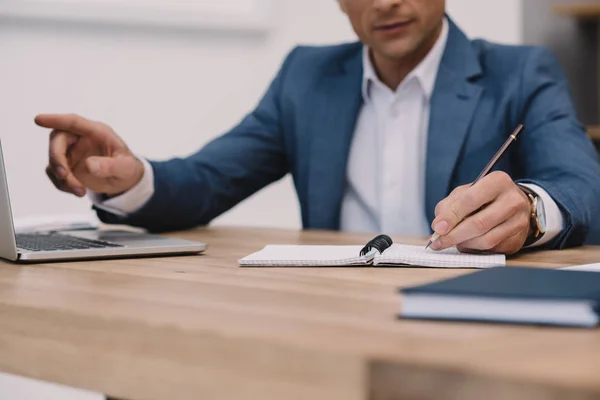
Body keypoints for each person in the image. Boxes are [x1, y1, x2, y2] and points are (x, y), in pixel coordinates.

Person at [35, 0, 600, 255]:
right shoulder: (306, 76)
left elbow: (583, 185)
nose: (386, 2)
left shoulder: (520, 71)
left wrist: (529, 209)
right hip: (328, 309)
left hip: (463, 321)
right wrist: (129, 179)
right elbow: (209, 178)